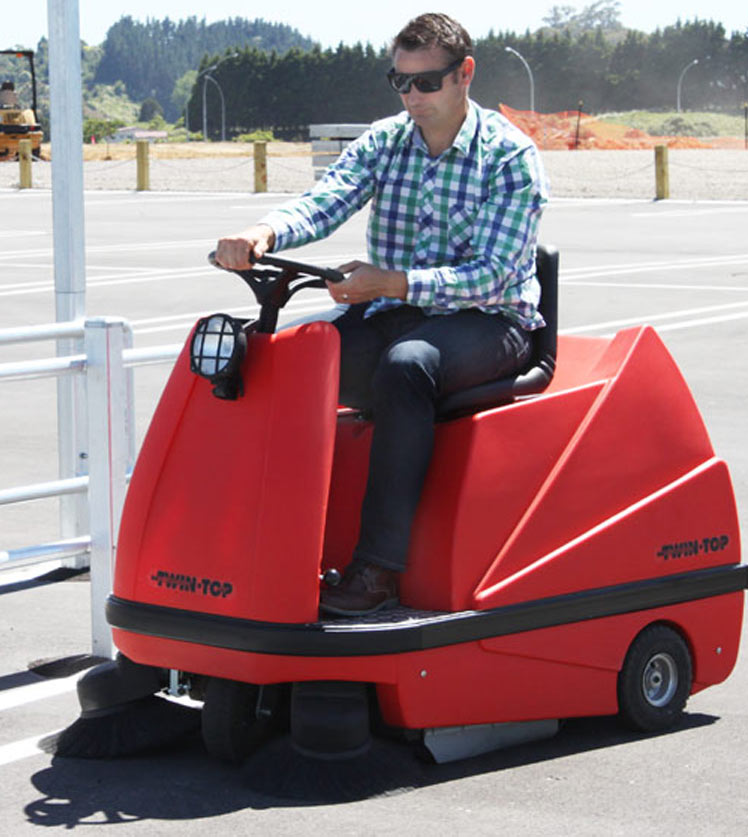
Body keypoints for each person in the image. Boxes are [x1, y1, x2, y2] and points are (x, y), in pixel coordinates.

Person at [216, 12, 549, 616]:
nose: (412, 97)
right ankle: (258, 541)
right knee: (287, 363)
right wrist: (262, 232)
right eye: (400, 82)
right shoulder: (386, 140)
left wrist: (391, 282)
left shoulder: (510, 157)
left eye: (426, 83)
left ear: (464, 74)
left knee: (407, 365)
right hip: (395, 310)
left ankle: (378, 571)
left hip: (491, 321)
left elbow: (494, 272)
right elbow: (327, 199)